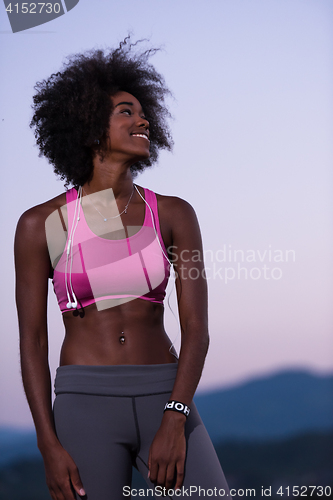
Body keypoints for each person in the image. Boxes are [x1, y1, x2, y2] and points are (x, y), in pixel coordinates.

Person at [14, 38, 231, 499]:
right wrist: (47, 441)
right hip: (83, 403)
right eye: (126, 112)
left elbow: (197, 329)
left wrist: (175, 414)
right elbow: (32, 340)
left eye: (142, 111)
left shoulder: (174, 214)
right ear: (90, 128)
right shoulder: (41, 225)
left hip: (165, 393)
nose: (143, 119)